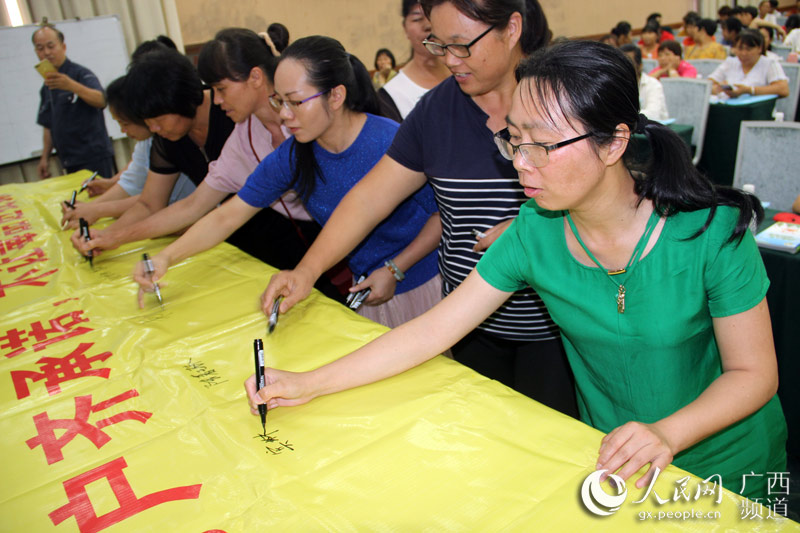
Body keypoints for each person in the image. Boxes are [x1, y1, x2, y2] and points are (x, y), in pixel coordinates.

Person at [246, 40, 786, 502]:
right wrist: (309, 383)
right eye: (514, 140)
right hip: (617, 458)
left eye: (543, 145)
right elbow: (433, 329)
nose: (520, 162)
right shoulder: (535, 231)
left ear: (614, 142)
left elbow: (754, 374)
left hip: (728, 466)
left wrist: (666, 434)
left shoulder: (710, 232)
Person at [261, 0, 578, 416]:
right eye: (438, 43)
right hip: (468, 325)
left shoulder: (567, 100)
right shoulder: (435, 113)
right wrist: (307, 270)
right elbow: (369, 198)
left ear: (512, 28)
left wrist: (537, 231)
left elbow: (620, 202)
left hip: (556, 327)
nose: (448, 60)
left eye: (461, 45)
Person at [135, 36, 442, 328]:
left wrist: (396, 268)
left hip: (426, 283)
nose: (283, 115)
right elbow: (228, 215)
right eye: (279, 102)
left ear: (335, 95)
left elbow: (443, 215)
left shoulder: (389, 141)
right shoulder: (294, 154)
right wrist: (165, 257)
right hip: (369, 289)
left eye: (295, 102)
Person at [69, 48, 235, 259]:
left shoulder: (230, 114)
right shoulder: (167, 140)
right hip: (226, 237)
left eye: (158, 120)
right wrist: (106, 236)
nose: (154, 129)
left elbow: (204, 206)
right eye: (148, 122)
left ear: (180, 99)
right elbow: (149, 204)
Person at [60, 75, 195, 230]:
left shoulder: (171, 139)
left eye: (125, 123)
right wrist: (90, 208)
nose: (122, 131)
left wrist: (97, 212)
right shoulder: (147, 142)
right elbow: (130, 184)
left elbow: (153, 201)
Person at [33, 23, 114, 180]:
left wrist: (71, 86)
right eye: (40, 48)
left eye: (51, 46)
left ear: (63, 47)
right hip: (69, 159)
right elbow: (48, 125)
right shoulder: (47, 86)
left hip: (92, 156)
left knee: (100, 201)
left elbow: (101, 100)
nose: (46, 53)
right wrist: (44, 157)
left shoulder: (80, 74)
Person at [377, 0, 452, 122]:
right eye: (417, 19)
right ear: (405, 28)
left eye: (432, 16)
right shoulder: (391, 96)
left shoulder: (466, 73)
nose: (427, 25)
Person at [709, 29, 789, 99]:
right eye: (740, 49)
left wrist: (749, 90)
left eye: (749, 49)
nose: (744, 53)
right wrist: (718, 89)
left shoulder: (769, 64)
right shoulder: (730, 62)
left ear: (759, 48)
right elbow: (708, 84)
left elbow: (783, 89)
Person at [620, 44, 668, 121]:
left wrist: (624, 115)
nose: (624, 68)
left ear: (640, 65)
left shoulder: (653, 84)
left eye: (629, 64)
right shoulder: (618, 85)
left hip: (653, 129)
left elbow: (653, 114)